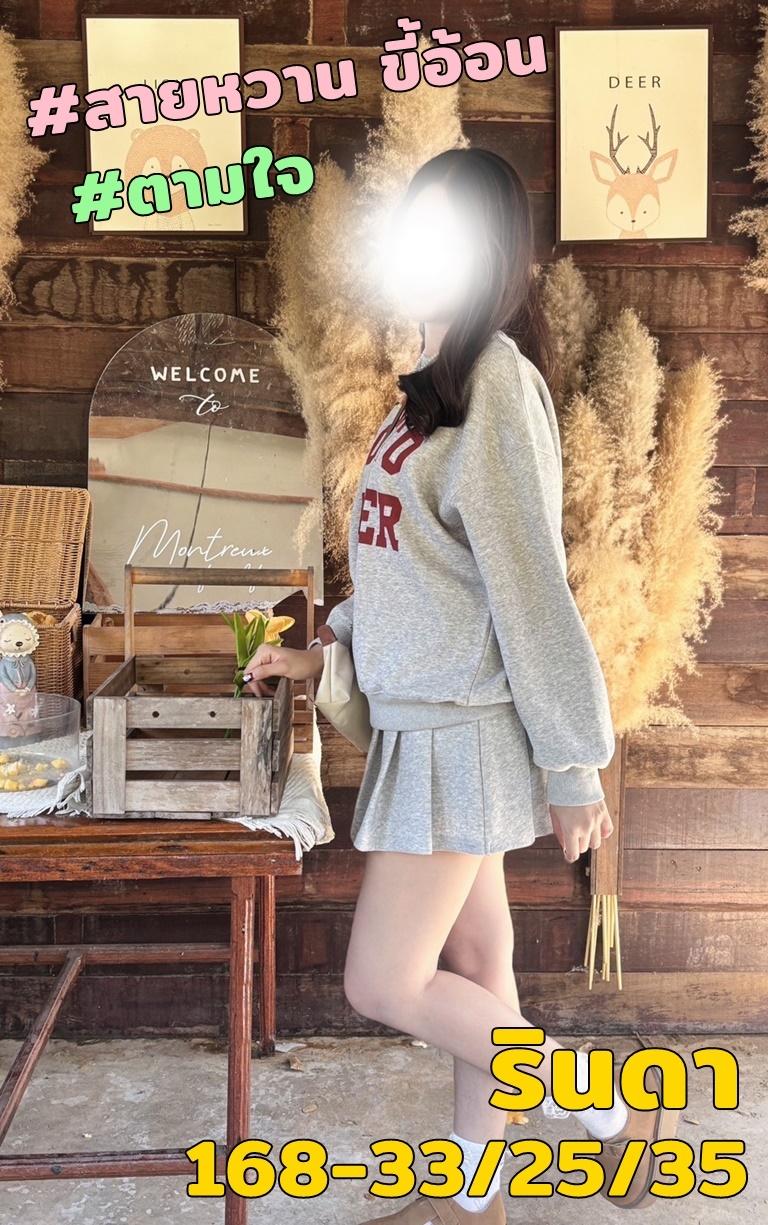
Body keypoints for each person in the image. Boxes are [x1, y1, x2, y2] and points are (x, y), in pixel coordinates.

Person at [244, 148, 680, 1223]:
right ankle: (473, 1198)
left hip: (462, 738)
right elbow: (415, 576)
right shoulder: (426, 393)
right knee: (481, 970)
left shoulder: (496, 387)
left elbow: (531, 591)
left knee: (383, 981)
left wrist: (573, 765)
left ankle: (614, 1111)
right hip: (425, 731)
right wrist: (324, 649)